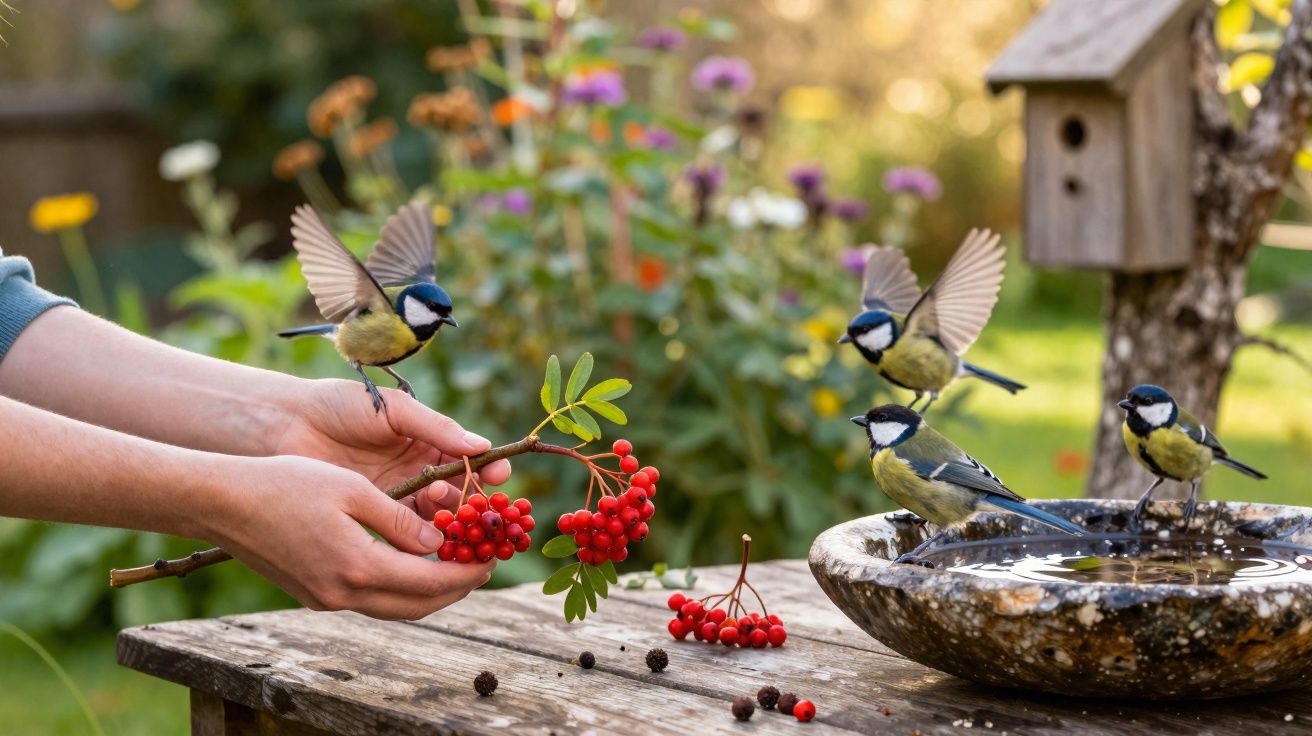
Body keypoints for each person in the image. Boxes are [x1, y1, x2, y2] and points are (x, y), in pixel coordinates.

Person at [0, 249, 510, 620]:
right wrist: (229, 499)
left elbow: (6, 310)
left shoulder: (416, 322)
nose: (444, 321)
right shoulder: (384, 311)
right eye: (436, 313)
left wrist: (286, 422)